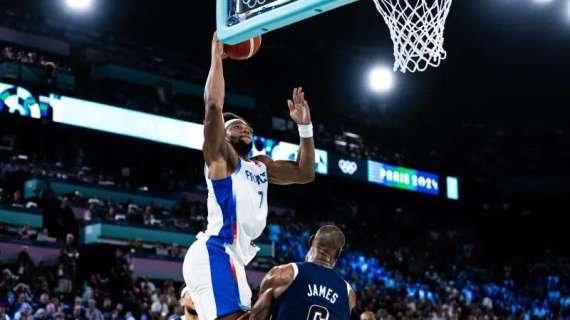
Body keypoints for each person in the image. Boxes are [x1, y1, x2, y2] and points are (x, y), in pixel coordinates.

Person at [182, 32, 316, 320]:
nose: (244, 128)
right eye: (236, 126)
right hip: (215, 250)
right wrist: (216, 60)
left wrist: (305, 129)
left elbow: (305, 173)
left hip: (233, 258)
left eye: (246, 126)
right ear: (224, 134)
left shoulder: (261, 166)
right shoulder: (222, 158)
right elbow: (214, 108)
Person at [248, 225, 356, 320]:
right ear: (338, 254)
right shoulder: (349, 295)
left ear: (311, 240)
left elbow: (257, 317)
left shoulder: (282, 274)